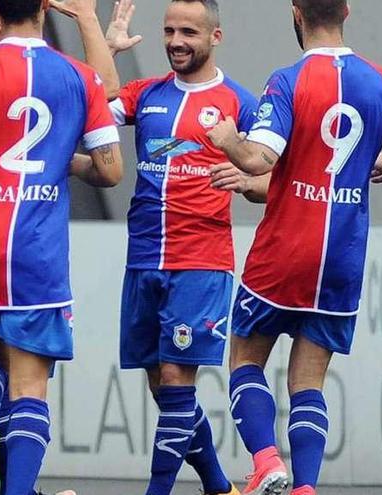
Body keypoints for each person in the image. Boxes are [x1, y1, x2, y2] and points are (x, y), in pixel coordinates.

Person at [206, 1, 382, 493]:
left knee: (245, 360)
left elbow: (258, 156)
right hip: (342, 258)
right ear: (347, 11)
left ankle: (267, 463)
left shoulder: (289, 81)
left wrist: (228, 139)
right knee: (308, 381)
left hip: (286, 250)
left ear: (296, 12)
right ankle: (306, 487)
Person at [0, 1, 123, 494]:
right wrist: (62, 162)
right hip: (37, 254)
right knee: (30, 387)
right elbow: (111, 170)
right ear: (44, 7)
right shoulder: (78, 76)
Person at [104, 1, 258, 494]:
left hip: (201, 261)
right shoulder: (144, 94)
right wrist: (105, 48)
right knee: (164, 387)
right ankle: (218, 486)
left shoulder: (241, 103)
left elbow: (278, 174)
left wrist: (252, 180)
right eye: (169, 30)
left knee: (175, 379)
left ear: (216, 37)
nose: (175, 40)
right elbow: (91, 107)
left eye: (188, 31)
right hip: (144, 259)